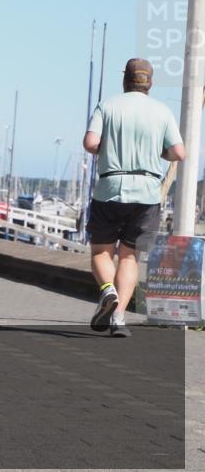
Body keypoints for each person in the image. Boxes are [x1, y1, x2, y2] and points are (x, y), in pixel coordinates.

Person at [83, 58, 184, 338]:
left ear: (124, 80)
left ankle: (108, 290)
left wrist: (107, 149)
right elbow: (179, 152)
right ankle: (118, 318)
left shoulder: (107, 106)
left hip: (110, 188)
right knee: (130, 257)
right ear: (150, 83)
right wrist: (160, 153)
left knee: (101, 252)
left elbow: (90, 142)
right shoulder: (162, 111)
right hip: (147, 192)